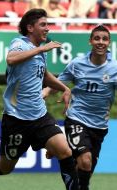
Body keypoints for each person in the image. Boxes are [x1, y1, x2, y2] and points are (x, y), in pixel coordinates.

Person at [0, 8, 79, 190]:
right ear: (30, 28)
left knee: (65, 151)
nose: (47, 28)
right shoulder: (20, 43)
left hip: (40, 116)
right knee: (5, 167)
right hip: (16, 119)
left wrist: (64, 88)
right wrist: (42, 48)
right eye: (43, 25)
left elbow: (44, 74)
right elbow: (11, 59)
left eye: (47, 24)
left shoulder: (41, 51)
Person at [43, 24, 117, 190]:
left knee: (85, 170)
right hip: (77, 119)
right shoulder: (77, 64)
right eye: (97, 38)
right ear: (90, 41)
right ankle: (63, 147)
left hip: (100, 126)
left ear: (109, 43)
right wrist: (46, 91)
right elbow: (59, 83)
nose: (100, 42)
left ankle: (62, 149)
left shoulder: (114, 68)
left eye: (105, 39)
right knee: (85, 160)